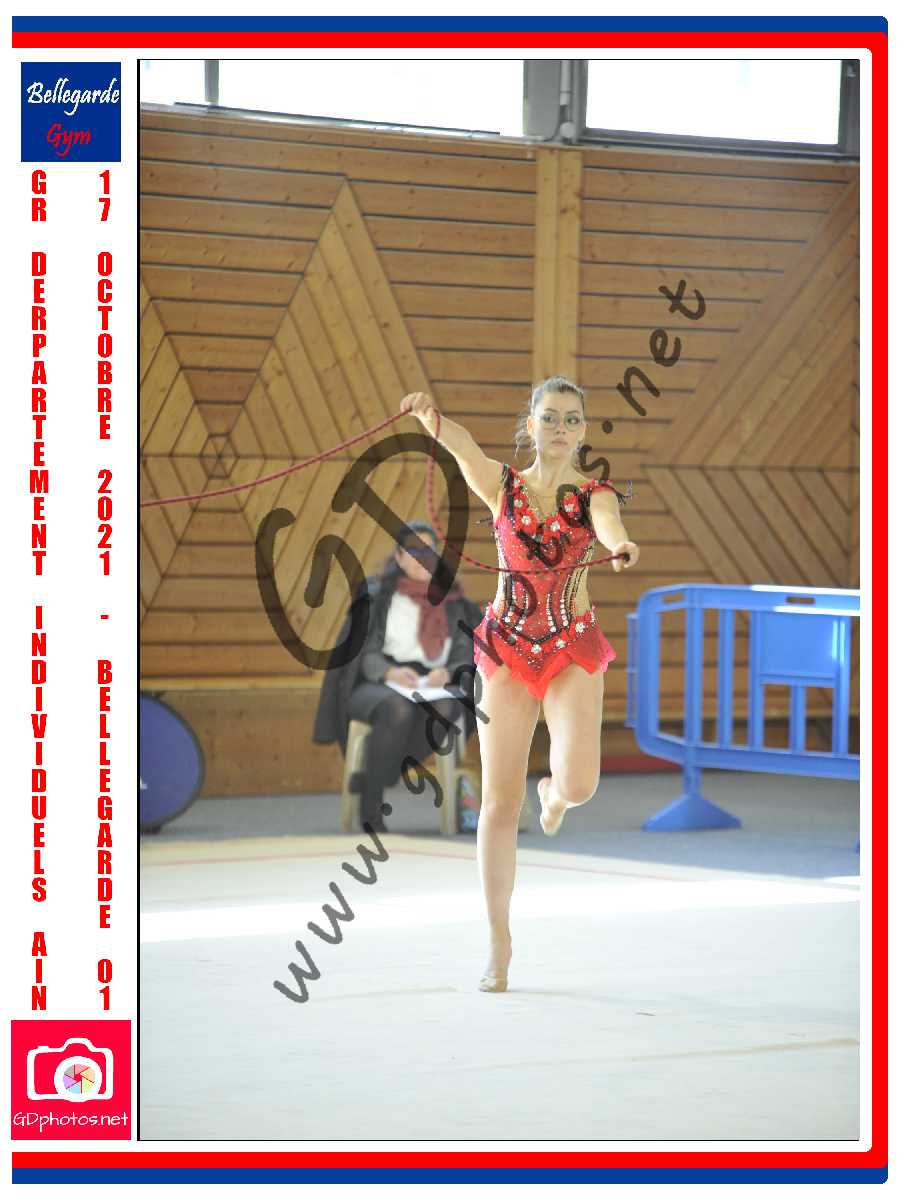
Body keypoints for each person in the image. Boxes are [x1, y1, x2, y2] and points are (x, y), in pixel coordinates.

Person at [400, 377, 640, 992]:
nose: (561, 428)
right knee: (500, 802)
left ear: (583, 432)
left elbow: (609, 524)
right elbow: (462, 448)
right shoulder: (501, 486)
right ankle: (498, 941)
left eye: (572, 419)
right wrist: (430, 418)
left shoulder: (593, 495)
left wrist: (619, 545)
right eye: (550, 417)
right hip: (506, 649)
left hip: (571, 645)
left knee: (580, 785)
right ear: (531, 426)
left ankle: (554, 795)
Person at [313, 522, 482, 832]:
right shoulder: (378, 596)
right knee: (398, 709)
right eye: (413, 551)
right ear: (400, 558)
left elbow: (465, 653)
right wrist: (390, 671)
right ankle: (371, 806)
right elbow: (365, 652)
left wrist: (447, 672)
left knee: (447, 709)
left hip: (433, 684)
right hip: (377, 682)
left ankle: (374, 776)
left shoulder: (453, 601)